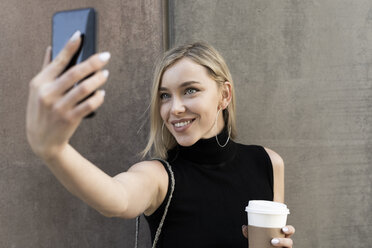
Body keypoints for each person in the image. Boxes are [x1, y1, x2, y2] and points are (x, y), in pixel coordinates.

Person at [26, 30, 295, 247]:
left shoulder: (269, 163)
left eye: (190, 90)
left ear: (224, 95)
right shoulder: (158, 176)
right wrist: (54, 150)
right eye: (165, 95)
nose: (174, 108)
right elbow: (116, 199)